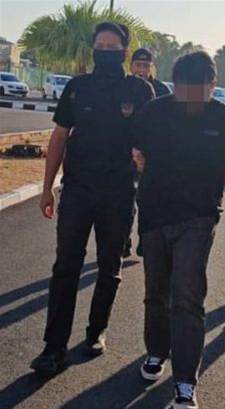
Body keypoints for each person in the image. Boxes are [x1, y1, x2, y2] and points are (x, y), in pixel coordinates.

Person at [30, 22, 155, 376]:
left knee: (109, 266)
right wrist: (47, 187)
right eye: (100, 46)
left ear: (124, 52)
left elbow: (153, 139)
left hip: (119, 192)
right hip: (78, 190)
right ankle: (53, 348)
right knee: (65, 268)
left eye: (112, 47)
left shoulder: (140, 90)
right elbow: (59, 136)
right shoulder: (77, 87)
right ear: (93, 49)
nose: (105, 52)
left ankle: (96, 330)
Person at [133, 51, 225, 409]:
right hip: (154, 213)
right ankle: (156, 351)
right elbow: (138, 153)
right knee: (156, 292)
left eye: (199, 89)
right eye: (184, 88)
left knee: (187, 294)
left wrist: (203, 188)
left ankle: (185, 380)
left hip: (198, 216)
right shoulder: (154, 112)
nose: (191, 97)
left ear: (213, 85)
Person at [123, 47, 171, 258]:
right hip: (125, 155)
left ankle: (146, 239)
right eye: (138, 65)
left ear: (152, 67)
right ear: (131, 65)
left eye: (146, 65)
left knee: (148, 201)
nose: (141, 69)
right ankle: (123, 241)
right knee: (125, 199)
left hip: (154, 157)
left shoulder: (162, 91)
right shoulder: (122, 87)